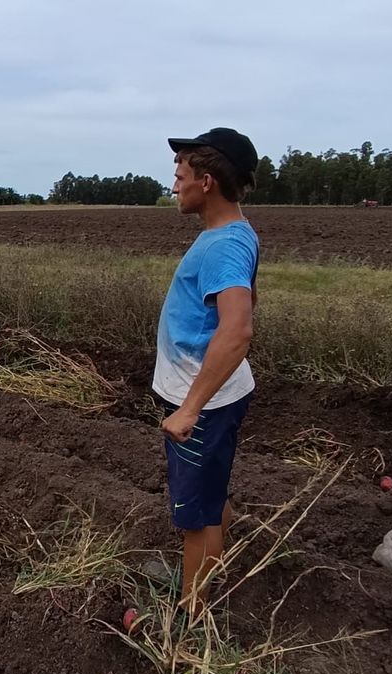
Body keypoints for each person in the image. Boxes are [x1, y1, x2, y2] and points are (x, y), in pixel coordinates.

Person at [154, 127, 260, 615]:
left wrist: (190, 409)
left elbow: (237, 331)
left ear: (208, 182)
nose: (175, 185)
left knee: (196, 517)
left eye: (181, 175)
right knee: (208, 496)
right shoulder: (226, 234)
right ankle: (220, 558)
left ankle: (192, 618)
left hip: (204, 403)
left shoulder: (224, 246)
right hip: (208, 395)